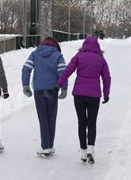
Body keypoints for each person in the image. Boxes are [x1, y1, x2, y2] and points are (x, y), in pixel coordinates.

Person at [55, 35, 111, 164]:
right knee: (92, 123)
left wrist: (58, 85)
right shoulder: (101, 59)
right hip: (94, 95)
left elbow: (67, 71)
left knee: (82, 123)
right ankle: (91, 149)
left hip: (79, 94)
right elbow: (107, 78)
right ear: (97, 46)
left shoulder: (78, 57)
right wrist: (106, 94)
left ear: (84, 45)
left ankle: (83, 153)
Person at [22, 36, 67, 156]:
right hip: (53, 89)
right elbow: (63, 72)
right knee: (51, 118)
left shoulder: (35, 53)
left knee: (43, 118)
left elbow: (26, 69)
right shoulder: (57, 55)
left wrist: (25, 85)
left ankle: (45, 146)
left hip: (39, 89)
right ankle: (50, 145)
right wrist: (64, 88)